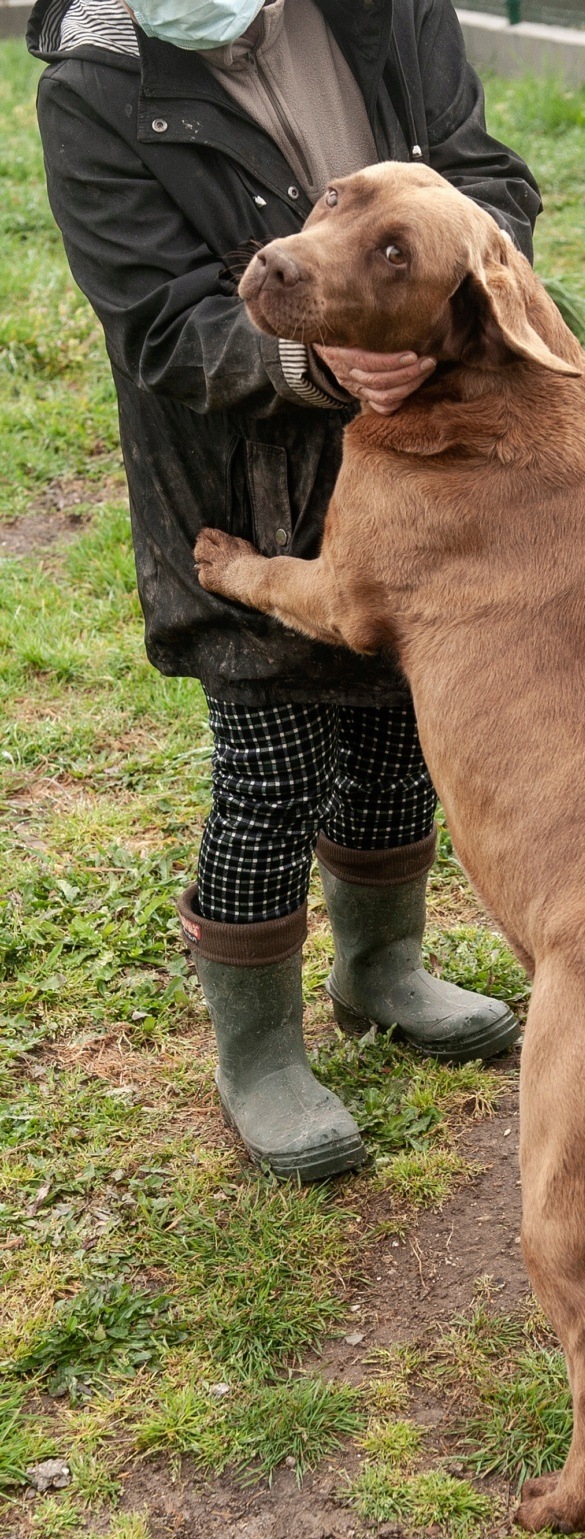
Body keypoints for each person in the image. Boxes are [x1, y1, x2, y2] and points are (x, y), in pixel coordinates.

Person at [28, 0, 540, 1180]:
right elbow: (160, 321)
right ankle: (257, 1056)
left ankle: (382, 970)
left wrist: (440, 315)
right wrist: (320, 360)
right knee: (270, 772)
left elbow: (481, 178)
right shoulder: (97, 86)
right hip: (238, 476)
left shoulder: (385, 12)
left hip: (425, 451)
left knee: (399, 739)